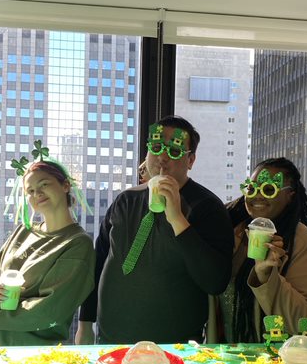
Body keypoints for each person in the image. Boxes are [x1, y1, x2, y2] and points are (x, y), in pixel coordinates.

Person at [76, 116, 234, 345]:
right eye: (157, 147)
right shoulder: (125, 200)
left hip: (174, 345)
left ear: (190, 160)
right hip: (111, 338)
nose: (163, 157)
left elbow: (215, 281)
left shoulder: (207, 207)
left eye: (175, 151)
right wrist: (85, 323)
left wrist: (178, 219)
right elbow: (99, 261)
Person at [0, 143, 95, 346]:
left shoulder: (77, 243)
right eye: (30, 190)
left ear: (65, 185)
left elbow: (48, 311)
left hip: (33, 355)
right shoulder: (24, 231)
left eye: (44, 184)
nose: (37, 193)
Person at [220, 156, 307, 343]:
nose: (258, 195)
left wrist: (265, 276)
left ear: (290, 195)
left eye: (269, 189)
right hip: (251, 355)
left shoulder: (305, 243)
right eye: (252, 188)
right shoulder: (234, 234)